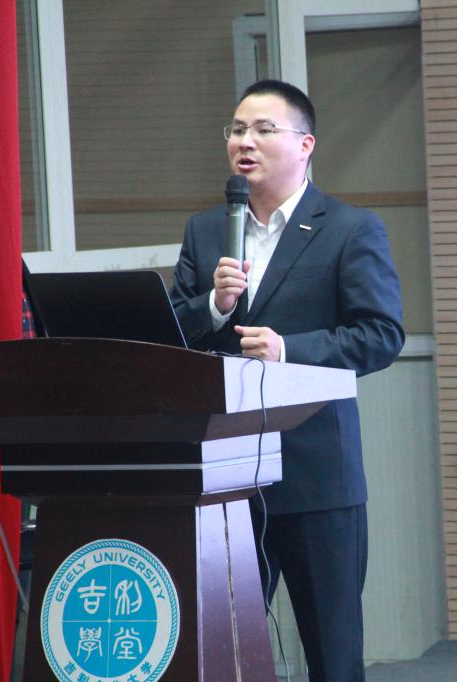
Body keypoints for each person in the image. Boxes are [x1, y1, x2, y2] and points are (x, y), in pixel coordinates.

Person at [169, 79, 404, 681]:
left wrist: (289, 350)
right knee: (221, 655)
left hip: (315, 478)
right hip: (223, 478)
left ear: (305, 144)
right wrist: (214, 307)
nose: (244, 142)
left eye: (263, 130)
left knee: (332, 655)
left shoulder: (349, 229)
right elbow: (167, 333)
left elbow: (380, 334)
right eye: (236, 130)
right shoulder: (206, 231)